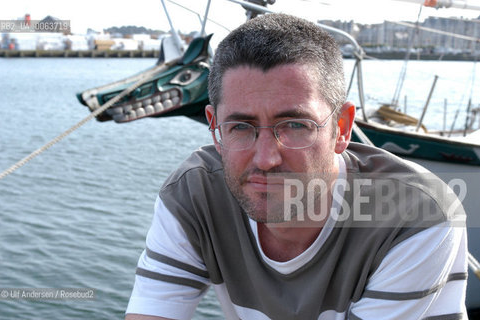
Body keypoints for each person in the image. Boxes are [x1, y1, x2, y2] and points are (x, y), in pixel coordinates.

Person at [125, 13, 468, 320]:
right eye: (241, 127)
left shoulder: (413, 214)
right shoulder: (194, 194)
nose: (265, 159)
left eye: (295, 126)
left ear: (342, 128)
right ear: (215, 129)